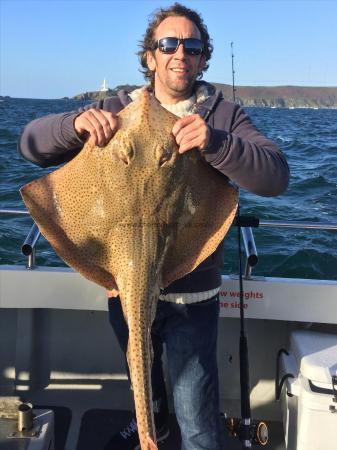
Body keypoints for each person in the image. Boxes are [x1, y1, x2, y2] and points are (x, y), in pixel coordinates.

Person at [18, 3, 289, 449]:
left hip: (192, 296)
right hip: (121, 281)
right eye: (168, 44)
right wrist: (73, 124)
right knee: (141, 375)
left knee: (198, 420)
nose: (180, 52)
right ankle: (150, 430)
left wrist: (215, 142)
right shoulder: (113, 110)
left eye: (192, 45)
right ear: (150, 56)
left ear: (203, 58)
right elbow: (29, 145)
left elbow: (276, 176)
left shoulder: (221, 115)